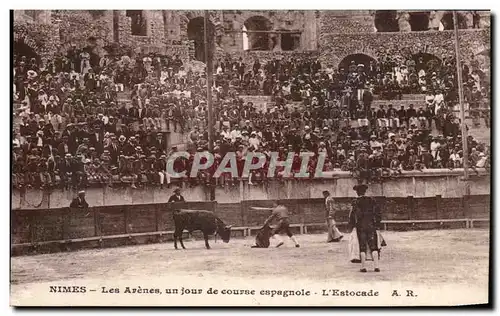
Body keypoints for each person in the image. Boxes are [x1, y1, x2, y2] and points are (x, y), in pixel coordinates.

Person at [348, 184, 382, 273]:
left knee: (362, 246)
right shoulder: (371, 200)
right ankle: (376, 266)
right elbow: (378, 214)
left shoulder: (355, 202)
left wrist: (352, 226)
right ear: (365, 191)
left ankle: (363, 267)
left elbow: (352, 216)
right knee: (373, 246)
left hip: (360, 226)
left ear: (357, 192)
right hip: (371, 225)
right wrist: (377, 225)